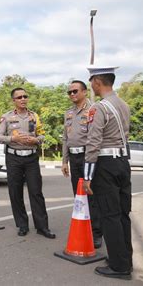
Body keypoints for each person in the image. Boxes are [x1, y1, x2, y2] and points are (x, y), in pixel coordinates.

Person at [83, 66, 133, 280]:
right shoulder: (123, 105)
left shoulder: (99, 108)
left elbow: (93, 142)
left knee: (109, 215)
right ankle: (123, 258)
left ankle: (119, 267)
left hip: (105, 165)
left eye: (91, 81)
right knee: (122, 214)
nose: (91, 85)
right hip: (122, 162)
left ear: (97, 82)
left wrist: (86, 176)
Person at [0, 88, 55, 239]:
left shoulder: (34, 116)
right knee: (15, 192)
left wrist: (36, 140)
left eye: (25, 96)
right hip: (13, 158)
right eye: (19, 97)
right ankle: (22, 225)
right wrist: (13, 139)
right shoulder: (6, 117)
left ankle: (42, 227)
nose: (23, 99)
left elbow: (42, 134)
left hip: (31, 158)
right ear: (13, 100)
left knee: (36, 192)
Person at [61, 80, 103, 248]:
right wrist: (64, 161)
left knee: (92, 194)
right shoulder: (68, 113)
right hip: (74, 157)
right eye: (69, 92)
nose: (72, 94)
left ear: (85, 92)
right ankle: (83, 228)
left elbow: (98, 137)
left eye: (75, 91)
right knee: (78, 195)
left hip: (88, 157)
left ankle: (97, 232)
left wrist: (91, 159)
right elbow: (65, 138)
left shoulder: (95, 109)